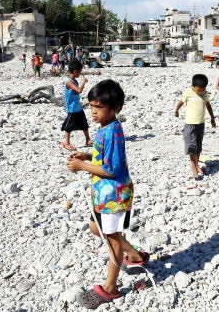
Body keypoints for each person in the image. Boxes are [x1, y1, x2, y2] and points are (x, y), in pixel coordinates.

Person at [66, 79, 149, 307]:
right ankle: (134, 255)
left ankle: (110, 289)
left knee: (111, 240)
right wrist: (86, 156)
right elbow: (105, 159)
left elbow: (111, 170)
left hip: (114, 195)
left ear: (115, 109)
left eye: (98, 107)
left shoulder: (113, 131)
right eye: (91, 106)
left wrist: (82, 167)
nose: (93, 112)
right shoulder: (104, 127)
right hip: (104, 195)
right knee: (97, 228)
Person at [174, 74, 216, 179]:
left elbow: (208, 105)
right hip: (190, 124)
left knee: (198, 147)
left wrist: (212, 118)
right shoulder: (188, 93)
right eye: (198, 90)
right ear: (193, 86)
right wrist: (176, 111)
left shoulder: (205, 94)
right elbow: (180, 102)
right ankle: (193, 167)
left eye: (203, 90)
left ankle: (196, 164)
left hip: (201, 124)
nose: (200, 92)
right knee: (191, 147)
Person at [60, 60, 92, 151]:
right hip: (72, 109)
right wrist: (84, 82)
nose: (80, 73)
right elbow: (79, 90)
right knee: (68, 126)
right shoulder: (69, 82)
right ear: (75, 71)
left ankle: (88, 139)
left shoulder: (74, 80)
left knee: (84, 124)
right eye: (80, 71)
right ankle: (67, 143)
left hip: (78, 107)